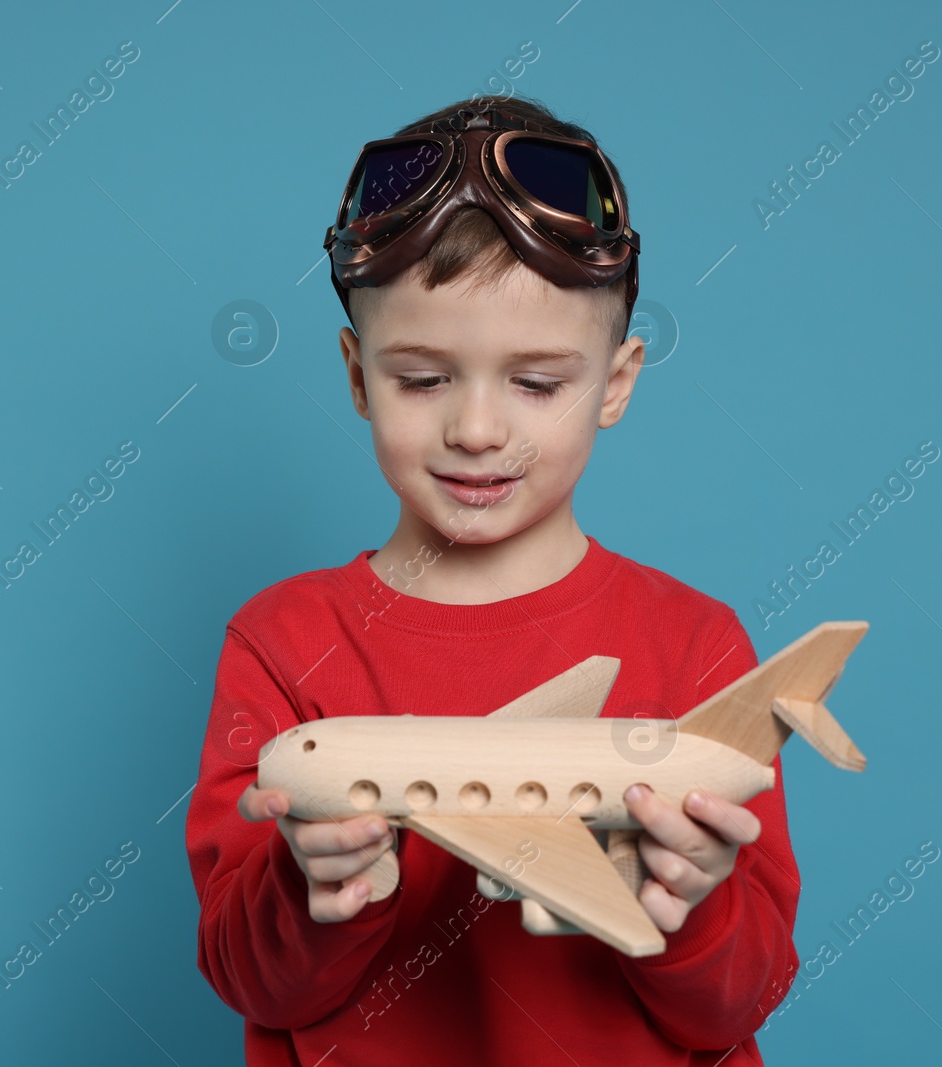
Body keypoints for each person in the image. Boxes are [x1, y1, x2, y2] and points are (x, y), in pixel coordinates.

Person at [186, 95, 800, 1065]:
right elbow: (250, 978)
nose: (476, 429)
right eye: (423, 378)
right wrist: (311, 893)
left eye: (537, 382)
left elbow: (739, 1003)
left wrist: (694, 902)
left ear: (617, 382)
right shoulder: (279, 639)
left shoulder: (698, 643)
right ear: (355, 375)